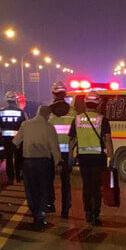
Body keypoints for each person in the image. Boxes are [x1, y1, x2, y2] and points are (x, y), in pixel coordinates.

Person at [68, 91, 114, 226]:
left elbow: (71, 140)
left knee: (86, 186)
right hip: (98, 158)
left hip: (83, 158)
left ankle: (87, 213)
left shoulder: (77, 119)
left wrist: (71, 155)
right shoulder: (102, 119)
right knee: (96, 188)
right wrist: (111, 158)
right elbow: (108, 141)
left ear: (85, 103)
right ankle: (95, 214)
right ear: (98, 103)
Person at [14, 104, 60, 228]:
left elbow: (16, 142)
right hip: (43, 163)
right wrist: (58, 163)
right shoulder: (49, 127)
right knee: (43, 190)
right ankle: (40, 216)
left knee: (31, 189)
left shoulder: (25, 124)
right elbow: (54, 148)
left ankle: (35, 213)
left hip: (28, 162)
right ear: (47, 115)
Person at [47, 81, 76, 218]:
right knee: (66, 182)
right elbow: (75, 135)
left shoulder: (46, 112)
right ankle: (65, 209)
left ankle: (50, 204)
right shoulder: (73, 112)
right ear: (65, 94)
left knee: (49, 179)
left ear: (53, 94)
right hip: (66, 153)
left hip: (51, 153)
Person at [0, 90, 26, 184]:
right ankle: (18, 177)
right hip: (17, 139)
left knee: (9, 159)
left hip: (6, 139)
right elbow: (24, 125)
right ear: (15, 100)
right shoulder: (20, 112)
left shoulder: (1, 112)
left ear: (6, 100)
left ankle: (10, 179)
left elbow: (0, 125)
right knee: (18, 158)